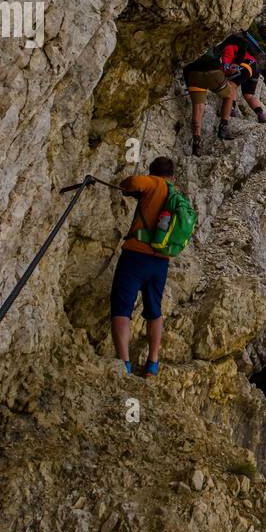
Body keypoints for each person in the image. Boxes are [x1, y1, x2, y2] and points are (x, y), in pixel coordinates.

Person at [110, 156, 177, 377]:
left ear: (154, 172)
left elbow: (134, 183)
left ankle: (124, 363)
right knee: (154, 311)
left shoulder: (154, 183)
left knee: (122, 307)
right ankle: (152, 363)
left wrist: (127, 185)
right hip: (161, 262)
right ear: (172, 176)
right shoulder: (174, 194)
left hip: (136, 257)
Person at [183, 30, 266, 153]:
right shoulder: (222, 43)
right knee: (239, 94)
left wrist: (189, 84)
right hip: (247, 68)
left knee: (198, 108)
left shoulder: (191, 47)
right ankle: (225, 125)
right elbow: (226, 65)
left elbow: (187, 68)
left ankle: (196, 141)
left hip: (193, 76)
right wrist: (231, 67)